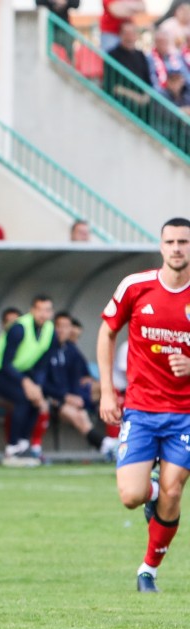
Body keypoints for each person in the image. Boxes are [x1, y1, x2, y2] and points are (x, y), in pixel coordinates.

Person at [98, 218, 190, 592]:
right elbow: (107, 331)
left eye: (183, 241)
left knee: (173, 489)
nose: (177, 248)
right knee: (132, 497)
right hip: (140, 408)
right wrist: (107, 390)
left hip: (185, 414)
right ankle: (150, 492)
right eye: (170, 241)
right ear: (161, 246)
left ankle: (148, 570)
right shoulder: (136, 286)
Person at [0, 295, 56, 467]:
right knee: (22, 397)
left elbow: (43, 364)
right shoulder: (19, 328)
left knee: (36, 398)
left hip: (15, 373)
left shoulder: (50, 330)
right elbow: (6, 363)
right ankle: (12, 449)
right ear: (32, 310)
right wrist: (27, 383)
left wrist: (36, 386)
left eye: (48, 310)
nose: (44, 314)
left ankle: (23, 445)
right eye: (40, 310)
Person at [45, 311, 117, 457]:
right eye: (59, 326)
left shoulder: (69, 349)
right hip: (53, 399)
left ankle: (110, 442)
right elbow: (42, 382)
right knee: (79, 415)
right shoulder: (46, 349)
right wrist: (65, 397)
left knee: (106, 392)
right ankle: (107, 444)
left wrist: (75, 395)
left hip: (70, 397)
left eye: (66, 326)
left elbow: (79, 376)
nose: (62, 330)